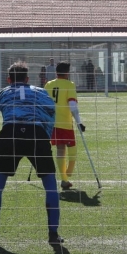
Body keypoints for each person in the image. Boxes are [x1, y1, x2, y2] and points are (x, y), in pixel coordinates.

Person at [0, 61, 61, 252]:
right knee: (50, 186)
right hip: (36, 134)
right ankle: (53, 233)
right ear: (27, 79)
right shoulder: (39, 92)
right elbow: (52, 110)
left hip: (10, 133)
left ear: (8, 79)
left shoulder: (3, 93)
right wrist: (45, 132)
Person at [44, 61, 85, 191]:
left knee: (60, 150)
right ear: (67, 73)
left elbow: (43, 103)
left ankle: (65, 178)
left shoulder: (48, 84)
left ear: (56, 72)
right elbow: (72, 105)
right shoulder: (69, 85)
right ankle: (66, 177)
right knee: (72, 149)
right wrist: (79, 122)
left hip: (52, 123)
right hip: (65, 123)